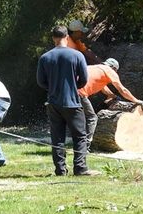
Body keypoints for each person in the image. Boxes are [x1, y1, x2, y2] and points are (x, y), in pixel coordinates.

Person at [37, 24, 99, 176]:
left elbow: (40, 81)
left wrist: (53, 89)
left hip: (53, 103)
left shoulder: (45, 57)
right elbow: (84, 80)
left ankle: (60, 170)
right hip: (72, 101)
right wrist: (72, 87)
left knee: (57, 138)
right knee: (80, 136)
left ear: (53, 38)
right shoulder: (77, 55)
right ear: (66, 37)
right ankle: (80, 168)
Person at [79, 58, 143, 151]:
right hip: (79, 94)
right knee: (92, 118)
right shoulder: (109, 70)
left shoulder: (95, 68)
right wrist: (137, 101)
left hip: (64, 92)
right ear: (114, 68)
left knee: (69, 117)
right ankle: (84, 147)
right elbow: (122, 90)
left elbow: (103, 87)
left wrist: (112, 96)